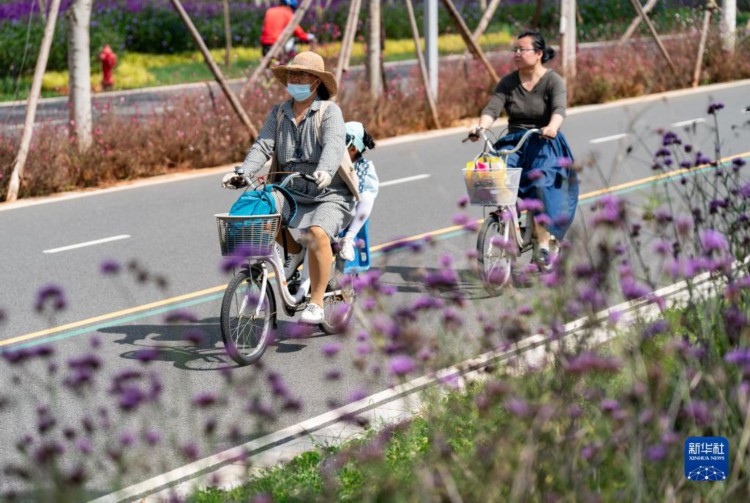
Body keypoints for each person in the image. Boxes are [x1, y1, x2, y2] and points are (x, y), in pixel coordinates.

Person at [222, 51, 356, 325]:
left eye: (302, 75)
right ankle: (293, 250)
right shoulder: (279, 112)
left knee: (317, 233)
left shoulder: (329, 111)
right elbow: (263, 145)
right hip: (290, 188)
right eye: (292, 75)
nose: (295, 80)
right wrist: (242, 173)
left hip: (329, 192)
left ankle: (316, 303)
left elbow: (333, 145)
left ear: (316, 82)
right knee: (259, 209)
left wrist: (325, 170)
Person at [469, 30, 578, 271]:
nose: (517, 53)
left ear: (538, 54)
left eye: (523, 49)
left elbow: (559, 110)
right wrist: (480, 127)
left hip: (544, 140)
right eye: (515, 50)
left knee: (541, 182)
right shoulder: (508, 82)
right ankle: (508, 219)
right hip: (515, 140)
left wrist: (552, 127)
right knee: (493, 171)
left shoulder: (553, 81)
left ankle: (543, 242)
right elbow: (492, 109)